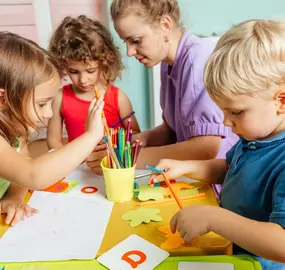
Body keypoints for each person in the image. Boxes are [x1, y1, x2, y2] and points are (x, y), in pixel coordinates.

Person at [150, 19, 285, 270]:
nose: (225, 122)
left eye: (235, 112)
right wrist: (187, 167)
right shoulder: (255, 136)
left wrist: (215, 218)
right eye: (223, 111)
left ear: (281, 100)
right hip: (229, 252)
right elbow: (229, 169)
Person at [84, 0, 237, 174]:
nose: (129, 51)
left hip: (219, 178)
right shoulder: (167, 62)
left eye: (135, 40)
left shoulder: (197, 60)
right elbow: (172, 130)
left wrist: (125, 158)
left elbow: (206, 148)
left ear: (165, 25)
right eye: (125, 42)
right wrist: (138, 140)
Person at [0, 32, 104, 226]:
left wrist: (14, 196)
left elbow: (23, 162)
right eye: (42, 104)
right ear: (2, 100)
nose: (48, 113)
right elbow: (32, 175)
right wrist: (91, 135)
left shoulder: (16, 130)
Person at [48, 15, 140, 174]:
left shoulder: (119, 98)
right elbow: (53, 140)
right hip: (77, 170)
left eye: (90, 71)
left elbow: (136, 135)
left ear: (104, 62)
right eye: (73, 72)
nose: (83, 80)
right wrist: (73, 159)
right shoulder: (60, 98)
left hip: (113, 168)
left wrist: (115, 150)